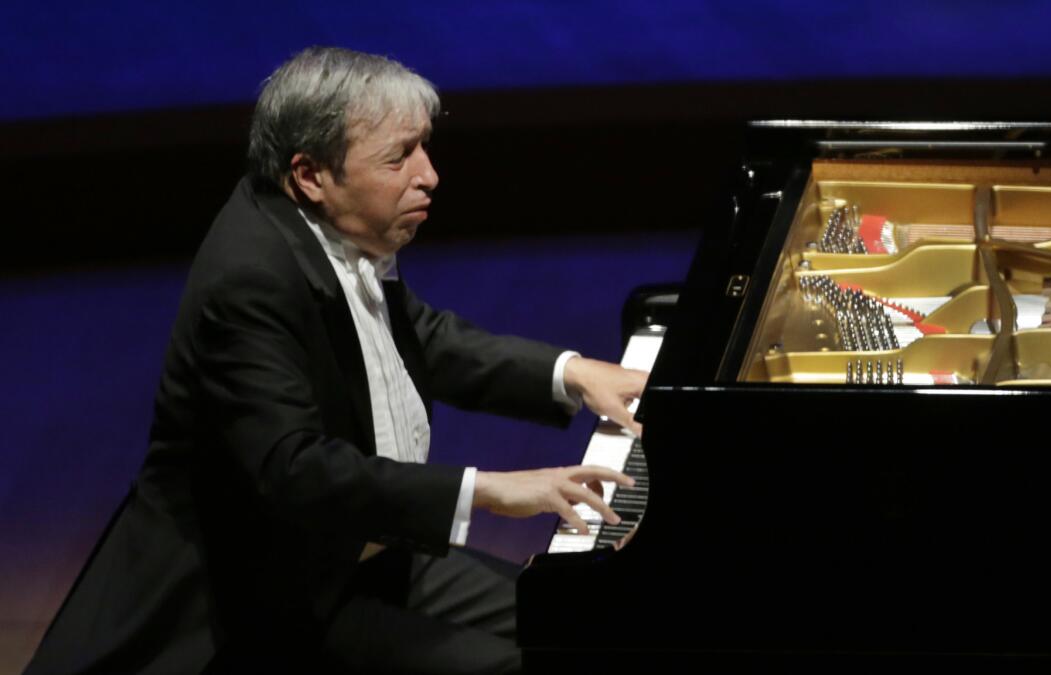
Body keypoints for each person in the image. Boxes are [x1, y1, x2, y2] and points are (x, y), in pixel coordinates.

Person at [25, 46, 647, 675]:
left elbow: (415, 337)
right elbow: (295, 469)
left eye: (425, 148)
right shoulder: (249, 280)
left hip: (364, 552)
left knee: (581, 622)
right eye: (400, 157)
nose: (429, 175)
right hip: (269, 600)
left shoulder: (338, 227)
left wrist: (570, 373)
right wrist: (488, 490)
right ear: (310, 175)